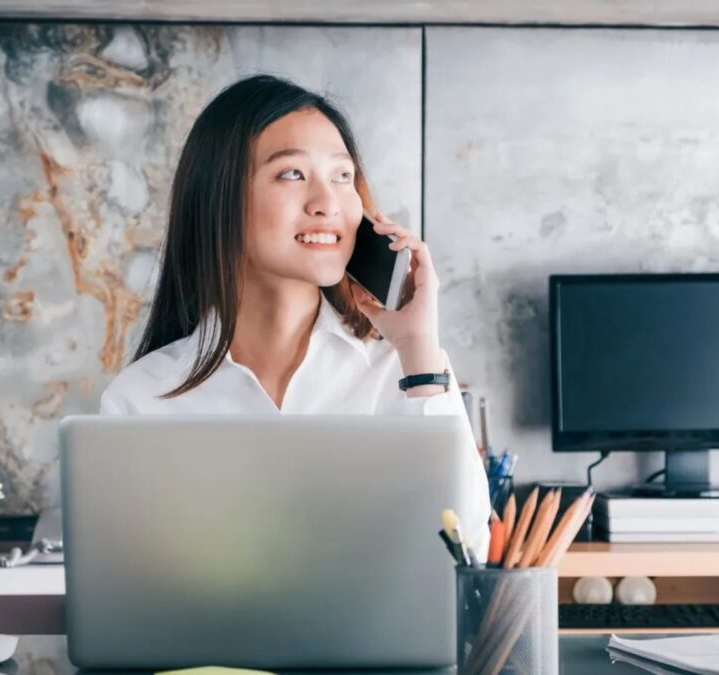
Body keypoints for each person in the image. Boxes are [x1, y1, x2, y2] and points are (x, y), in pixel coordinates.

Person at [99, 74, 489, 552]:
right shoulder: (141, 399)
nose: (327, 203)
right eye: (292, 174)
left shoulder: (406, 372)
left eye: (342, 177)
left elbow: (469, 550)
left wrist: (418, 351)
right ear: (219, 198)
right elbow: (133, 585)